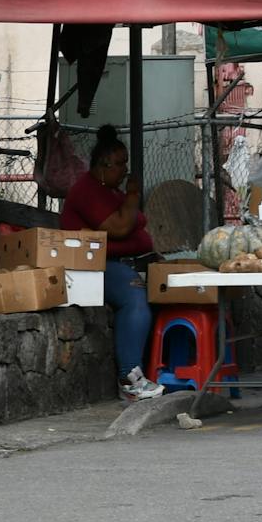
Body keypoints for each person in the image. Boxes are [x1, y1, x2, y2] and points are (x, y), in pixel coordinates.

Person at [59, 125, 160, 400]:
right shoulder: (87, 190)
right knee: (134, 298)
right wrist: (133, 195)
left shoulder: (113, 190)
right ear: (102, 166)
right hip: (94, 267)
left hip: (124, 261)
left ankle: (160, 368)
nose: (125, 170)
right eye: (119, 164)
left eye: (126, 163)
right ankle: (129, 378)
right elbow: (118, 228)